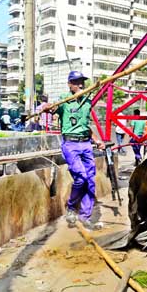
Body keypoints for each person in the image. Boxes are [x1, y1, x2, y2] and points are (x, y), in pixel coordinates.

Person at [51, 70, 105, 230]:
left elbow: (84, 126)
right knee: (80, 177)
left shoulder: (88, 102)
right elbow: (52, 109)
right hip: (71, 144)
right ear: (70, 84)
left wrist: (96, 140)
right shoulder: (64, 101)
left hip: (86, 144)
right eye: (76, 82)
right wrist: (50, 107)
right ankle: (71, 207)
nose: (80, 85)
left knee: (90, 181)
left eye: (82, 81)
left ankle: (85, 216)